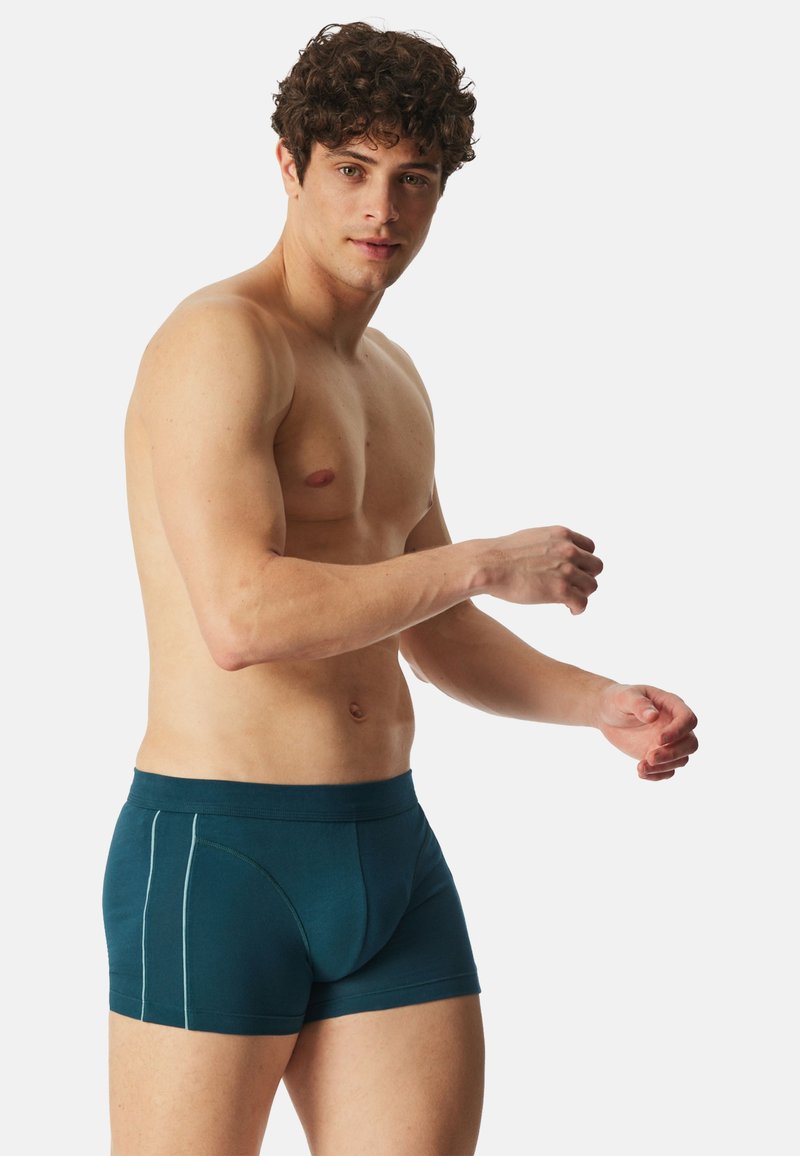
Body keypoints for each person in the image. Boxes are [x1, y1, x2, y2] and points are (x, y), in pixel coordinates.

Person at [102, 20, 699, 1155]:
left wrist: (596, 702)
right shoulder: (219, 342)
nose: (381, 209)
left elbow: (433, 625)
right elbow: (241, 615)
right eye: (352, 169)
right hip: (220, 853)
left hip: (386, 846)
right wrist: (482, 557)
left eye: (413, 179)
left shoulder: (392, 377)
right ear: (290, 165)